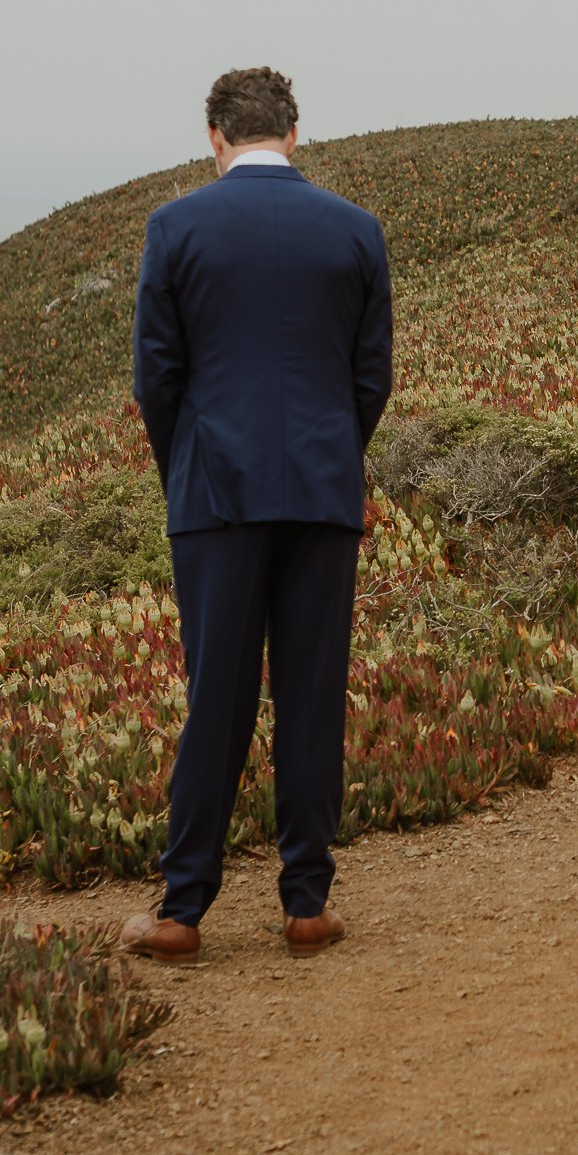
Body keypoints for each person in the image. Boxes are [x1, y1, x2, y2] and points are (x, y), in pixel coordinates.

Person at [121, 66, 393, 962]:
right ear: (294, 132)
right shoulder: (356, 230)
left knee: (218, 698)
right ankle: (306, 900)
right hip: (320, 488)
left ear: (215, 136)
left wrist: (186, 466)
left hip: (216, 493)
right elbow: (370, 376)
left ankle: (182, 907)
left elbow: (156, 377)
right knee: (312, 691)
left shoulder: (176, 226)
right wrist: (330, 456)